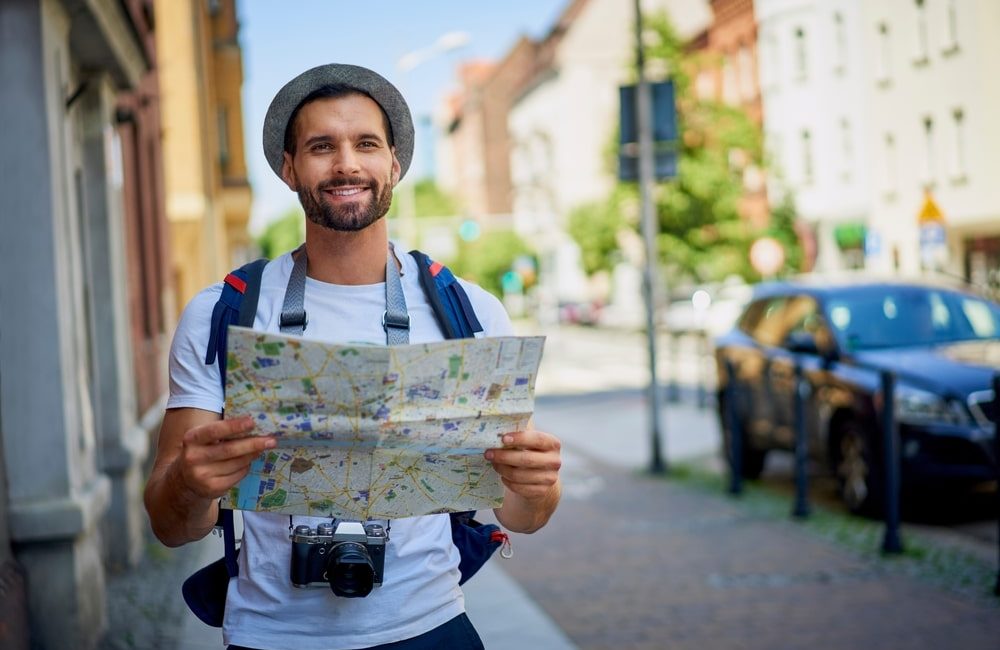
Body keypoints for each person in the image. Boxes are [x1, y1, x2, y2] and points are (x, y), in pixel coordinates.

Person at [143, 63, 563, 650]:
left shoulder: (471, 311)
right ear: (289, 169)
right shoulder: (223, 312)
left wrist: (540, 485)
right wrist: (191, 482)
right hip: (271, 637)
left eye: (366, 143)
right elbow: (170, 526)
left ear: (394, 164)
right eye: (321, 147)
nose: (346, 164)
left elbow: (523, 514)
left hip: (432, 626)